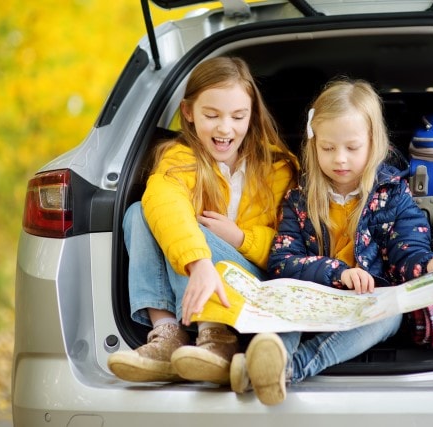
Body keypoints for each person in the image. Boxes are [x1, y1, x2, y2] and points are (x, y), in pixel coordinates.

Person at [229, 78, 433, 405]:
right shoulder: (299, 197)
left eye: (352, 148)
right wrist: (336, 273)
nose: (340, 159)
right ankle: (270, 356)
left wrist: (428, 265)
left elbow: (406, 251)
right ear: (314, 144)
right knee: (284, 307)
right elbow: (282, 261)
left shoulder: (394, 194)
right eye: (328, 148)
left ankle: (286, 369)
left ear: (373, 143)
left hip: (367, 304)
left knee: (390, 316)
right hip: (311, 300)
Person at [107, 56, 297, 385]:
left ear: (252, 116)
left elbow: (291, 248)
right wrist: (200, 262)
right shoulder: (179, 159)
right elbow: (163, 199)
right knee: (140, 213)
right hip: (200, 274)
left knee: (190, 228)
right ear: (188, 113)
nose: (226, 128)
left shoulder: (277, 168)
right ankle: (167, 335)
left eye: (238, 116)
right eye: (212, 115)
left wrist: (240, 238)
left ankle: (217, 339)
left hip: (255, 283)